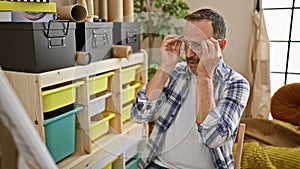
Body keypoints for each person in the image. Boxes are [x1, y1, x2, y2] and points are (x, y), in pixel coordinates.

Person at [130, 8, 250, 169]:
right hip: (158, 165)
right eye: (186, 43)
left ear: (220, 45)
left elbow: (213, 138)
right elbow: (139, 114)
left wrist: (205, 77)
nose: (188, 53)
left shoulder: (236, 84)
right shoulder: (176, 72)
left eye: (198, 45)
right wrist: (166, 67)